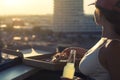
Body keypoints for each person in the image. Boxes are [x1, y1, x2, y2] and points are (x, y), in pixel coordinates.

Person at [53, 0, 120, 80]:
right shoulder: (106, 40)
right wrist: (84, 53)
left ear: (101, 15)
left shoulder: (114, 46)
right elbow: (102, 62)